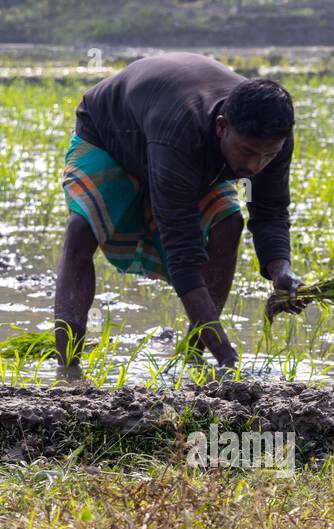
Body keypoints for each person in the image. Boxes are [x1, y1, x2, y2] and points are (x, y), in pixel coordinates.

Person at [53, 52, 305, 380]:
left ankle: (192, 355)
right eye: (247, 152)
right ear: (222, 127)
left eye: (266, 156)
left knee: (228, 224)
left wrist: (280, 270)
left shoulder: (272, 140)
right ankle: (68, 368)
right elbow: (182, 253)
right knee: (82, 228)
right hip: (111, 135)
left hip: (184, 150)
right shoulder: (181, 130)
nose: (254, 167)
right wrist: (228, 357)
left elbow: (269, 210)